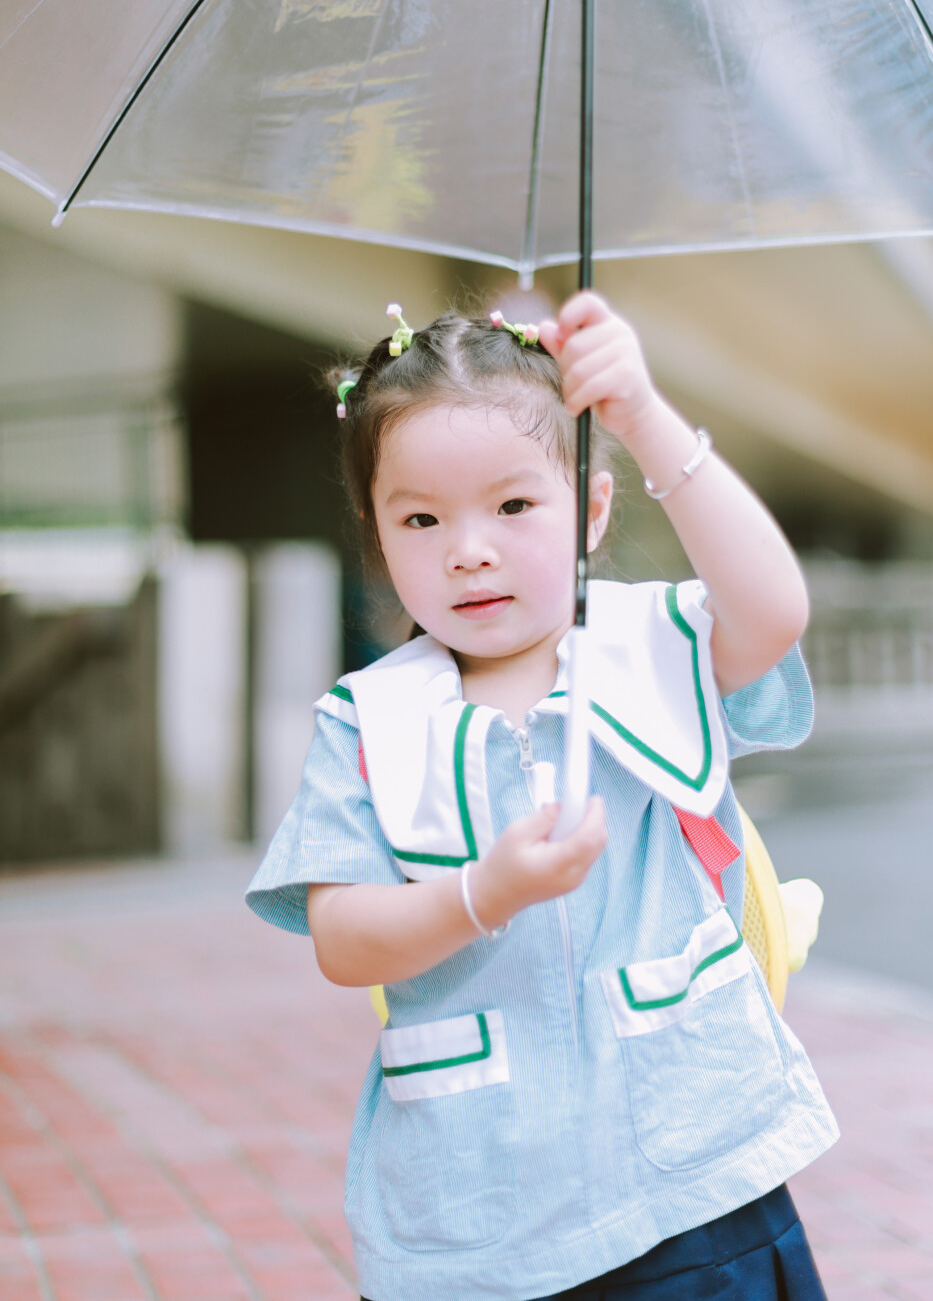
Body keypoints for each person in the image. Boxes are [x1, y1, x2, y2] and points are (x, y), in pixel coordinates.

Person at [246, 292, 838, 1301]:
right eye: (421, 518)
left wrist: (643, 413)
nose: (468, 548)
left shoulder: (654, 647)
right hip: (482, 1219)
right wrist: (481, 893)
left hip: (692, 1182)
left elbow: (774, 613)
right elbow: (344, 940)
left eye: (514, 506)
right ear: (378, 535)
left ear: (591, 511)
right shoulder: (367, 720)